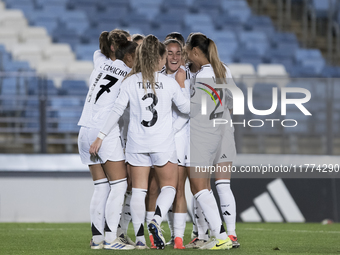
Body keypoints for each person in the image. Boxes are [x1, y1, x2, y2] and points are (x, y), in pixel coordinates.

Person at [89, 35, 190, 250]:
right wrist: (181, 86)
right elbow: (186, 109)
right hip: (162, 142)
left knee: (138, 191)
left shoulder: (130, 82)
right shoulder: (169, 83)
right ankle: (157, 219)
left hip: (136, 142)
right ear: (161, 59)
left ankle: (141, 239)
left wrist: (101, 136)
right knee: (170, 187)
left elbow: (117, 110)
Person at [77, 30, 137, 250]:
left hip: (84, 130)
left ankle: (97, 239)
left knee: (101, 187)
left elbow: (99, 49)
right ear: (126, 53)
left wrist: (111, 41)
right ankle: (112, 239)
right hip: (104, 131)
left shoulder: (99, 62)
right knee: (119, 186)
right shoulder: (128, 74)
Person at [184, 32, 234, 250]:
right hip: (218, 132)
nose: (185, 55)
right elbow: (231, 101)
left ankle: (217, 236)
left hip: (201, 134)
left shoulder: (202, 75)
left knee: (199, 187)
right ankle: (221, 235)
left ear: (195, 51)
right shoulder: (220, 69)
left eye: (186, 51)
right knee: (211, 186)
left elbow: (192, 109)